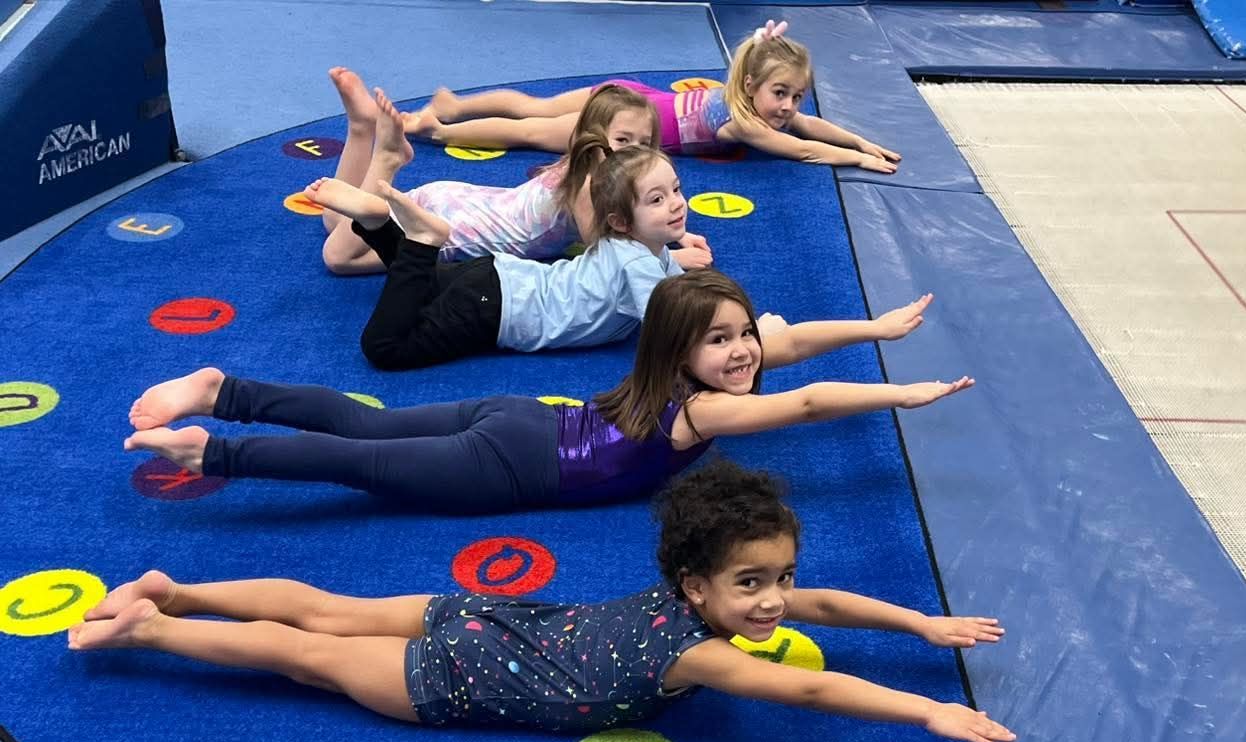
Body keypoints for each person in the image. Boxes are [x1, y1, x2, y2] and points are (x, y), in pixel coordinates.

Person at [71, 461, 1015, 742]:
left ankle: (172, 585)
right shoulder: (703, 650)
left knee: (323, 607)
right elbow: (812, 694)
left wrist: (921, 625)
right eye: (753, 585)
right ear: (697, 587)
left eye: (775, 580)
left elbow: (831, 606)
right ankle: (155, 620)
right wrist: (925, 705)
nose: (775, 604)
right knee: (303, 649)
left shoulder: (713, 597)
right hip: (455, 671)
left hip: (497, 616)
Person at [121, 269, 954, 513]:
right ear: (682, 348)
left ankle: (221, 386)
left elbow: (794, 341)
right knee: (358, 460)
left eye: (743, 336)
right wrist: (900, 395)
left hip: (523, 413)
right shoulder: (706, 407)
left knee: (366, 422)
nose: (742, 353)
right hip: (515, 465)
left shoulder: (677, 371)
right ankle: (212, 448)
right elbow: (806, 401)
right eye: (722, 340)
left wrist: (875, 331)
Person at [311, 141, 695, 370]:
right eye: (657, 200)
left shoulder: (648, 252)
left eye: (676, 190)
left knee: (421, 286)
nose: (677, 204)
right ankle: (420, 239)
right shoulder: (639, 262)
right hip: (494, 310)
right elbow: (674, 329)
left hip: (497, 276)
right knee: (385, 349)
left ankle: (378, 224)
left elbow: (690, 295)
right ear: (620, 222)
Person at [316, 72, 714, 275]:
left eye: (644, 144)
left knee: (337, 218)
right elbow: (608, 257)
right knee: (339, 256)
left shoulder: (584, 161)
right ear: (596, 138)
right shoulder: (592, 185)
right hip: (457, 233)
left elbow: (629, 226)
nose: (637, 153)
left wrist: (670, 232)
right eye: (625, 140)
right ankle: (385, 157)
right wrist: (670, 259)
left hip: (460, 199)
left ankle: (360, 128)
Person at [405, 21, 901, 173]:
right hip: (627, 122)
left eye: (796, 95)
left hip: (636, 96)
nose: (790, 107)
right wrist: (858, 162)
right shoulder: (748, 122)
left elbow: (811, 127)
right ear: (750, 86)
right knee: (530, 130)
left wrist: (862, 143)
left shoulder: (752, 103)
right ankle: (442, 127)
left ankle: (456, 104)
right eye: (781, 94)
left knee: (535, 108)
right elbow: (807, 148)